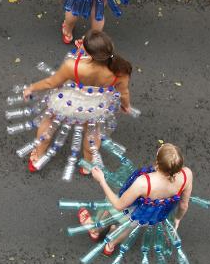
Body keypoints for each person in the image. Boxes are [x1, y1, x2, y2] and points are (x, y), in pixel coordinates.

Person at [18, 30, 133, 173]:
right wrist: (125, 105)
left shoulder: (73, 65)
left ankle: (38, 154)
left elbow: (51, 83)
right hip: (94, 107)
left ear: (90, 53)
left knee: (49, 121)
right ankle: (88, 164)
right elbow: (124, 92)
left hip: (67, 103)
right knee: (92, 131)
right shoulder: (120, 70)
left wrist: (31, 88)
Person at [80, 144, 192, 255]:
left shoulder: (144, 182)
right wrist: (177, 219)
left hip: (130, 210)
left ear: (158, 163)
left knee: (109, 203)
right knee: (128, 227)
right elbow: (183, 205)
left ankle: (95, 230)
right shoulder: (187, 175)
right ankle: (110, 245)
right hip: (148, 216)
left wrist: (101, 180)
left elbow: (118, 205)